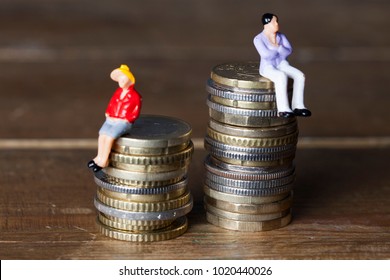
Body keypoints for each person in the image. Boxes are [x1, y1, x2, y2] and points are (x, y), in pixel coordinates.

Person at [253, 13, 311, 118]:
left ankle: (298, 106)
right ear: (267, 24)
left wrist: (278, 48)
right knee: (281, 76)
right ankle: (283, 109)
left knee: (300, 75)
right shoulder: (258, 39)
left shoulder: (281, 36)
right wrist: (279, 49)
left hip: (281, 64)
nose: (276, 24)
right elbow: (266, 55)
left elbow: (288, 51)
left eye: (277, 21)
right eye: (274, 22)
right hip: (267, 67)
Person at [88, 64, 142, 172]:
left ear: (129, 79)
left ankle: (104, 160)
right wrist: (108, 113)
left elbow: (135, 112)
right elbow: (112, 104)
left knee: (109, 137)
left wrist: (127, 119)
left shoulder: (135, 96)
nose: (120, 81)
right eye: (119, 79)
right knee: (102, 135)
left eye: (123, 78)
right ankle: (98, 157)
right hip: (111, 119)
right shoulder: (118, 92)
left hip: (123, 122)